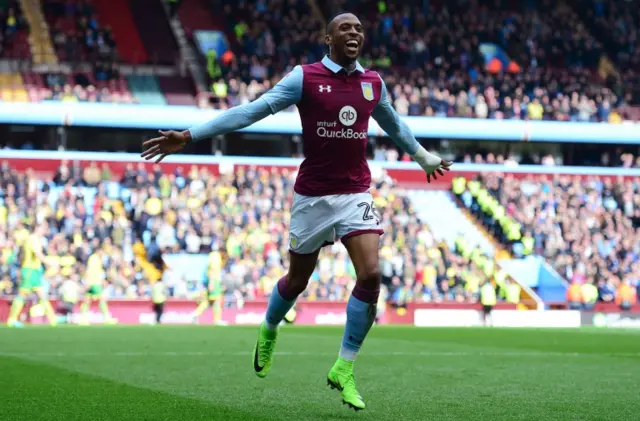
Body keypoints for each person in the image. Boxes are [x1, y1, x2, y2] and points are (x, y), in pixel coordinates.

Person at [141, 12, 451, 411]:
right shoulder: (304, 78)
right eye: (345, 28)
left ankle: (344, 367)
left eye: (358, 28)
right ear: (328, 38)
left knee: (372, 275)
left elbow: (393, 123)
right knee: (297, 281)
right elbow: (251, 111)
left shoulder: (372, 83)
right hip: (312, 198)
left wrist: (422, 156)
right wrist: (189, 135)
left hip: (355, 193)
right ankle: (270, 326)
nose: (354, 33)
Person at [7, 223, 58, 327]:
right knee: (23, 294)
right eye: (43, 228)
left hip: (32, 270)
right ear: (37, 228)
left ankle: (53, 319)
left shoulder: (31, 239)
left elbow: (22, 255)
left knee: (41, 295)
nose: (45, 231)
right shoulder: (33, 239)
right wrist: (48, 263)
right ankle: (11, 319)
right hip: (30, 270)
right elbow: (37, 253)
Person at [80, 247, 116, 325]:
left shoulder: (96, 259)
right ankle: (107, 318)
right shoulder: (94, 259)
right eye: (101, 251)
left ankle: (83, 318)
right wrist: (89, 282)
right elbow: (90, 271)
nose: (102, 253)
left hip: (93, 282)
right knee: (102, 299)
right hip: (94, 283)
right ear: (98, 251)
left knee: (87, 300)